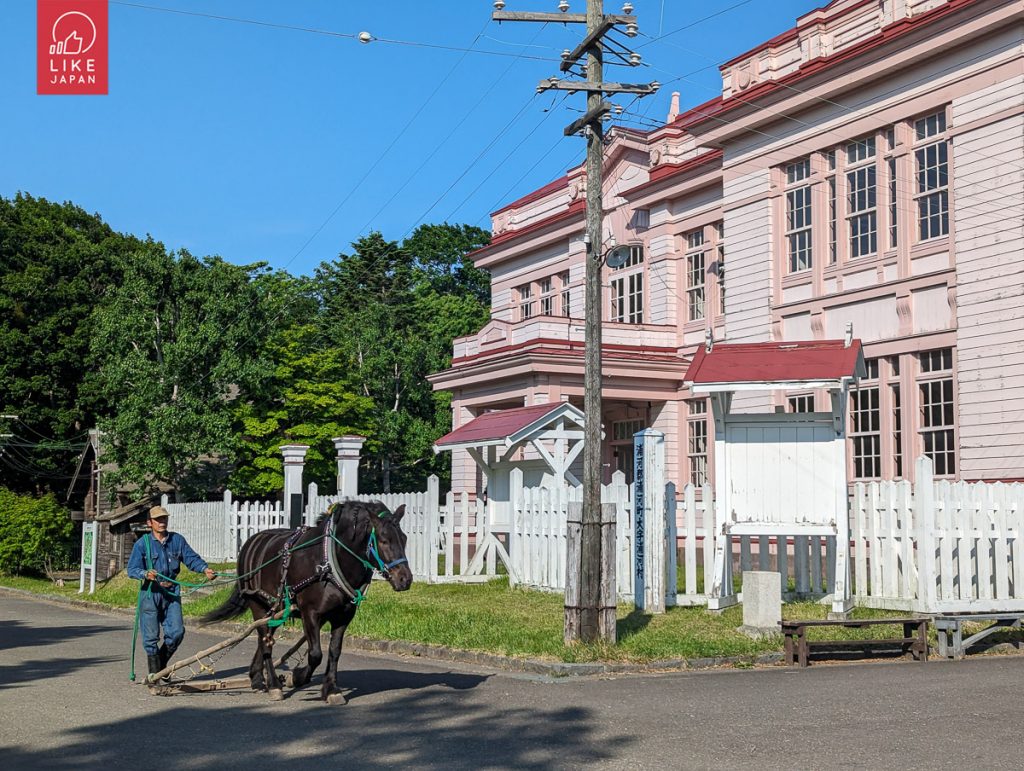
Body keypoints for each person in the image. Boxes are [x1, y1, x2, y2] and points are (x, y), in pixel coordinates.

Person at [127, 505, 216, 678]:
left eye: (164, 518)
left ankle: (160, 665)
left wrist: (205, 569)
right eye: (158, 519)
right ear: (149, 523)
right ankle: (155, 676)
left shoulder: (177, 540)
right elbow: (132, 569)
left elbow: (191, 559)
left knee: (177, 633)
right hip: (150, 593)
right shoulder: (142, 544)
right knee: (151, 637)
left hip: (172, 593)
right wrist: (145, 573)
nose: (162, 522)